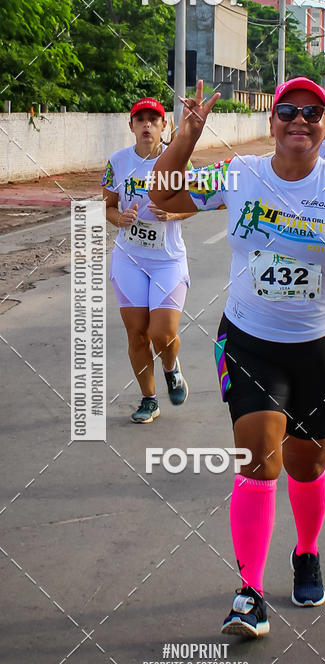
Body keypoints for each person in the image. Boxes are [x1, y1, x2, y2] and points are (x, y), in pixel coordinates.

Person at [149, 77, 325, 637]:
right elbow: (161, 196)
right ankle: (250, 592)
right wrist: (186, 134)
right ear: (272, 122)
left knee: (306, 466)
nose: (299, 121)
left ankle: (306, 551)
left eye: (313, 113)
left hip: (319, 348)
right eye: (288, 111)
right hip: (249, 342)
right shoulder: (238, 175)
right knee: (259, 458)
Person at [102, 98, 194, 422]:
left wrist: (173, 212)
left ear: (164, 125)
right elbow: (109, 206)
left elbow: (196, 203)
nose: (146, 126)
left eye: (153, 120)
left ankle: (171, 367)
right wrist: (119, 219)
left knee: (162, 333)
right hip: (129, 258)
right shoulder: (118, 161)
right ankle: (149, 399)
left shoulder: (178, 160)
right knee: (137, 333)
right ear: (131, 126)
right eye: (139, 120)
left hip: (168, 261)